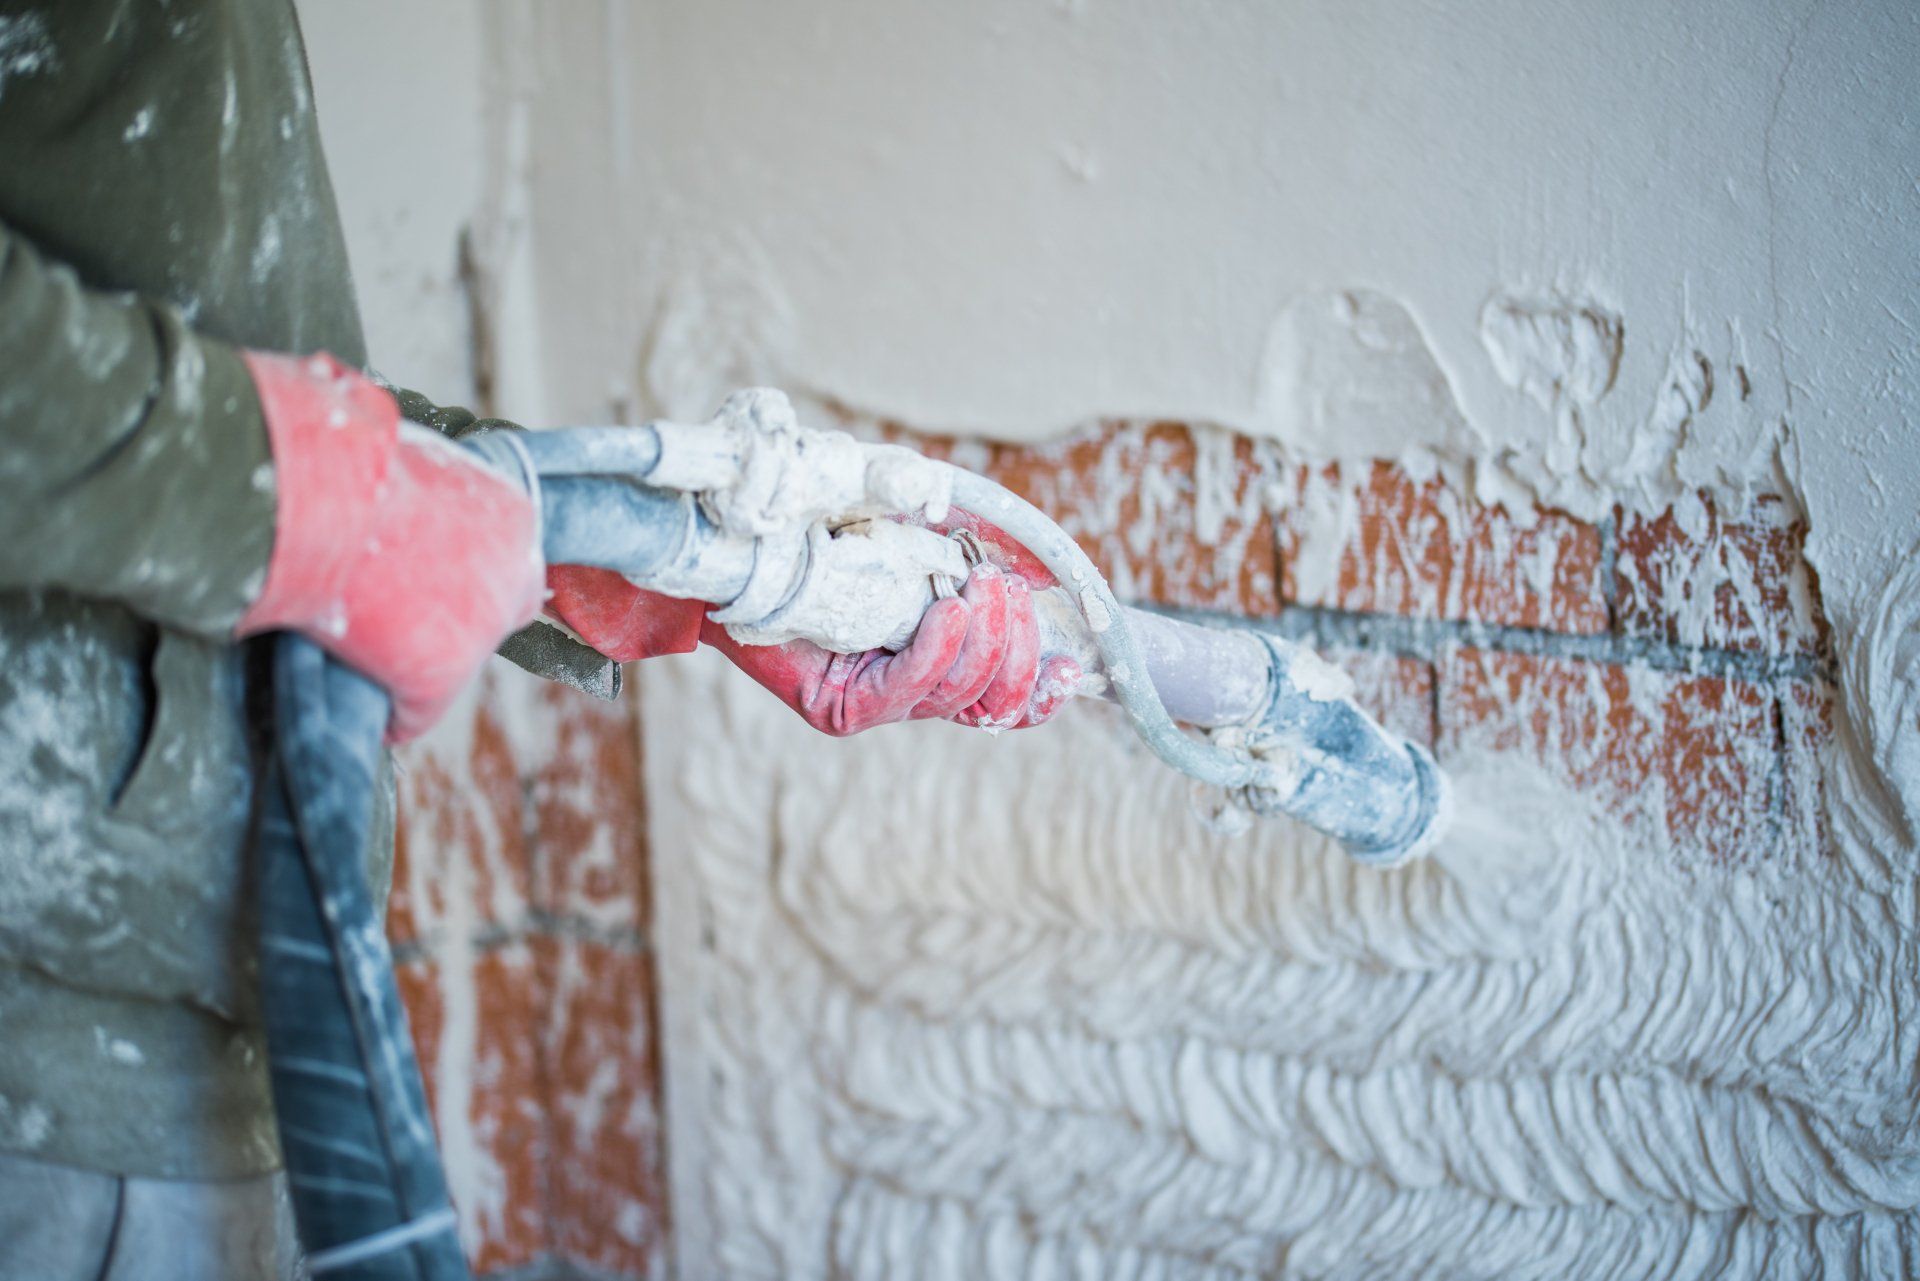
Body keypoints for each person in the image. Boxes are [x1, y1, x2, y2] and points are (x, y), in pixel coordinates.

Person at [0, 4, 1066, 1275]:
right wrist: (325, 504)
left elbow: (202, 352)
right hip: (57, 1035)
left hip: (184, 994)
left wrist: (654, 564)